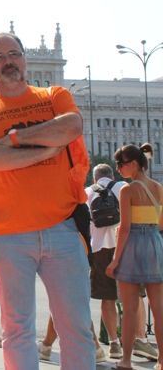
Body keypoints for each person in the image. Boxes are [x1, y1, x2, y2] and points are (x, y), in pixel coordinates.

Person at [0, 32, 95, 369]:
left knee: (76, 329)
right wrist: (45, 149)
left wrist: (16, 139)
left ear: (24, 59)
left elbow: (70, 128)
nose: (8, 61)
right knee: (17, 330)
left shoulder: (54, 96)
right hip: (8, 235)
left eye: (13, 53)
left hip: (62, 228)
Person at [106, 143, 163, 370]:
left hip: (133, 246)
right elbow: (160, 223)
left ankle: (126, 360)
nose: (118, 168)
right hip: (154, 243)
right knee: (159, 310)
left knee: (129, 310)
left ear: (134, 164)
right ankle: (161, 360)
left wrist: (115, 260)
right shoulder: (158, 187)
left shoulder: (127, 190)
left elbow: (126, 228)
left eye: (121, 164)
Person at [86, 163, 127, 359]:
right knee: (132, 297)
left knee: (107, 298)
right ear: (112, 176)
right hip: (124, 246)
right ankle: (137, 339)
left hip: (99, 249)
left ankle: (114, 344)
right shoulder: (122, 188)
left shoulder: (87, 192)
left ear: (94, 178)